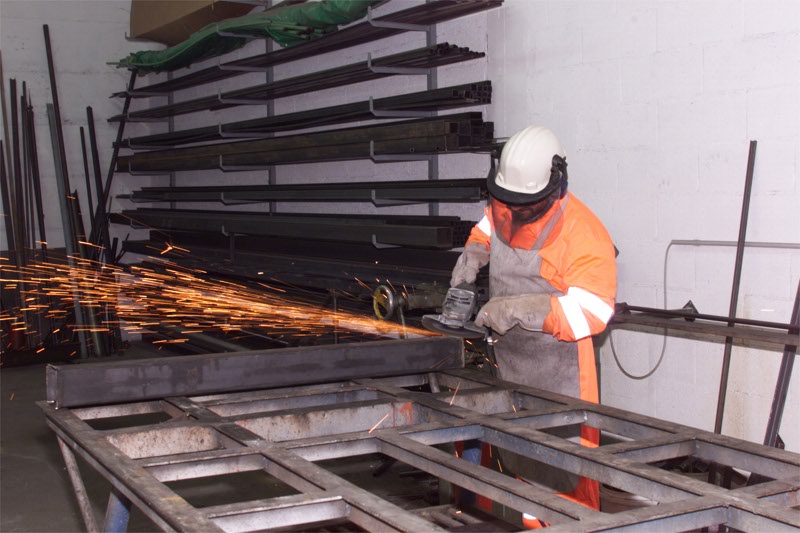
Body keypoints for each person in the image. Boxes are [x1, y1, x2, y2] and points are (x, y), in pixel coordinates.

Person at [451, 125, 617, 523]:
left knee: (563, 480)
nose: (516, 213)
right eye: (508, 202)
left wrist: (518, 310)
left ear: (556, 185)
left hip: (557, 373)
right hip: (508, 363)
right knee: (514, 464)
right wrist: (475, 251)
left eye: (526, 205)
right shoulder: (508, 203)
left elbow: (593, 313)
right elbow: (490, 225)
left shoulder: (585, 233)